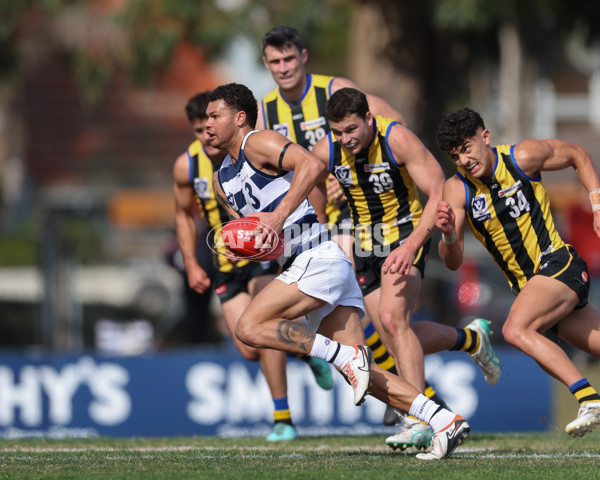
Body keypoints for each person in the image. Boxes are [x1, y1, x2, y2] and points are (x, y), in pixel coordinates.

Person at [205, 82, 470, 460]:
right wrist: (244, 251)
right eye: (206, 118)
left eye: (215, 116)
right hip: (306, 262)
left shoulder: (257, 142)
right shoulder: (220, 180)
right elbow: (262, 237)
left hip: (317, 257)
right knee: (366, 375)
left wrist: (278, 218)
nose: (208, 124)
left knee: (248, 328)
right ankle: (443, 420)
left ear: (240, 117)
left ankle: (339, 358)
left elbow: (311, 165)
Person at [258, 24, 428, 428]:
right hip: (307, 216)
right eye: (274, 61)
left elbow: (395, 124)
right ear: (266, 65)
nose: (283, 67)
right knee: (318, 312)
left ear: (303, 57)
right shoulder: (266, 110)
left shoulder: (336, 89)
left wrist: (354, 175)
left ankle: (406, 400)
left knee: (377, 315)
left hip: (357, 217)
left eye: (288, 58)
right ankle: (336, 361)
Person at [312, 88, 501, 450]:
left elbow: (437, 190)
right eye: (338, 132)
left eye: (352, 129)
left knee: (393, 319)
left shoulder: (396, 138)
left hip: (405, 233)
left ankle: (420, 418)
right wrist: (321, 226)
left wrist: (412, 244)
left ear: (368, 119)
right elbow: (310, 178)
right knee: (393, 332)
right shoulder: (328, 149)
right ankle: (472, 339)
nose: (345, 139)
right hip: (365, 242)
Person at [173, 92, 333, 442]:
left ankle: (283, 419)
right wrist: (190, 261)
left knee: (262, 328)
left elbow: (307, 173)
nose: (206, 132)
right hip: (229, 258)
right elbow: (183, 215)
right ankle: (308, 350)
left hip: (264, 250)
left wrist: (304, 221)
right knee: (248, 347)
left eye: (212, 122)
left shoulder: (256, 146)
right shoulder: (191, 167)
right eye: (200, 127)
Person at [435, 107, 600, 438]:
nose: (464, 160)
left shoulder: (522, 157)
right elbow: (452, 261)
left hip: (558, 265)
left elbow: (577, 155)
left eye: (467, 148)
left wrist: (597, 204)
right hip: (532, 289)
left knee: (515, 329)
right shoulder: (457, 189)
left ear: (485, 138)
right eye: (456, 156)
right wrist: (449, 234)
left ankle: (588, 398)